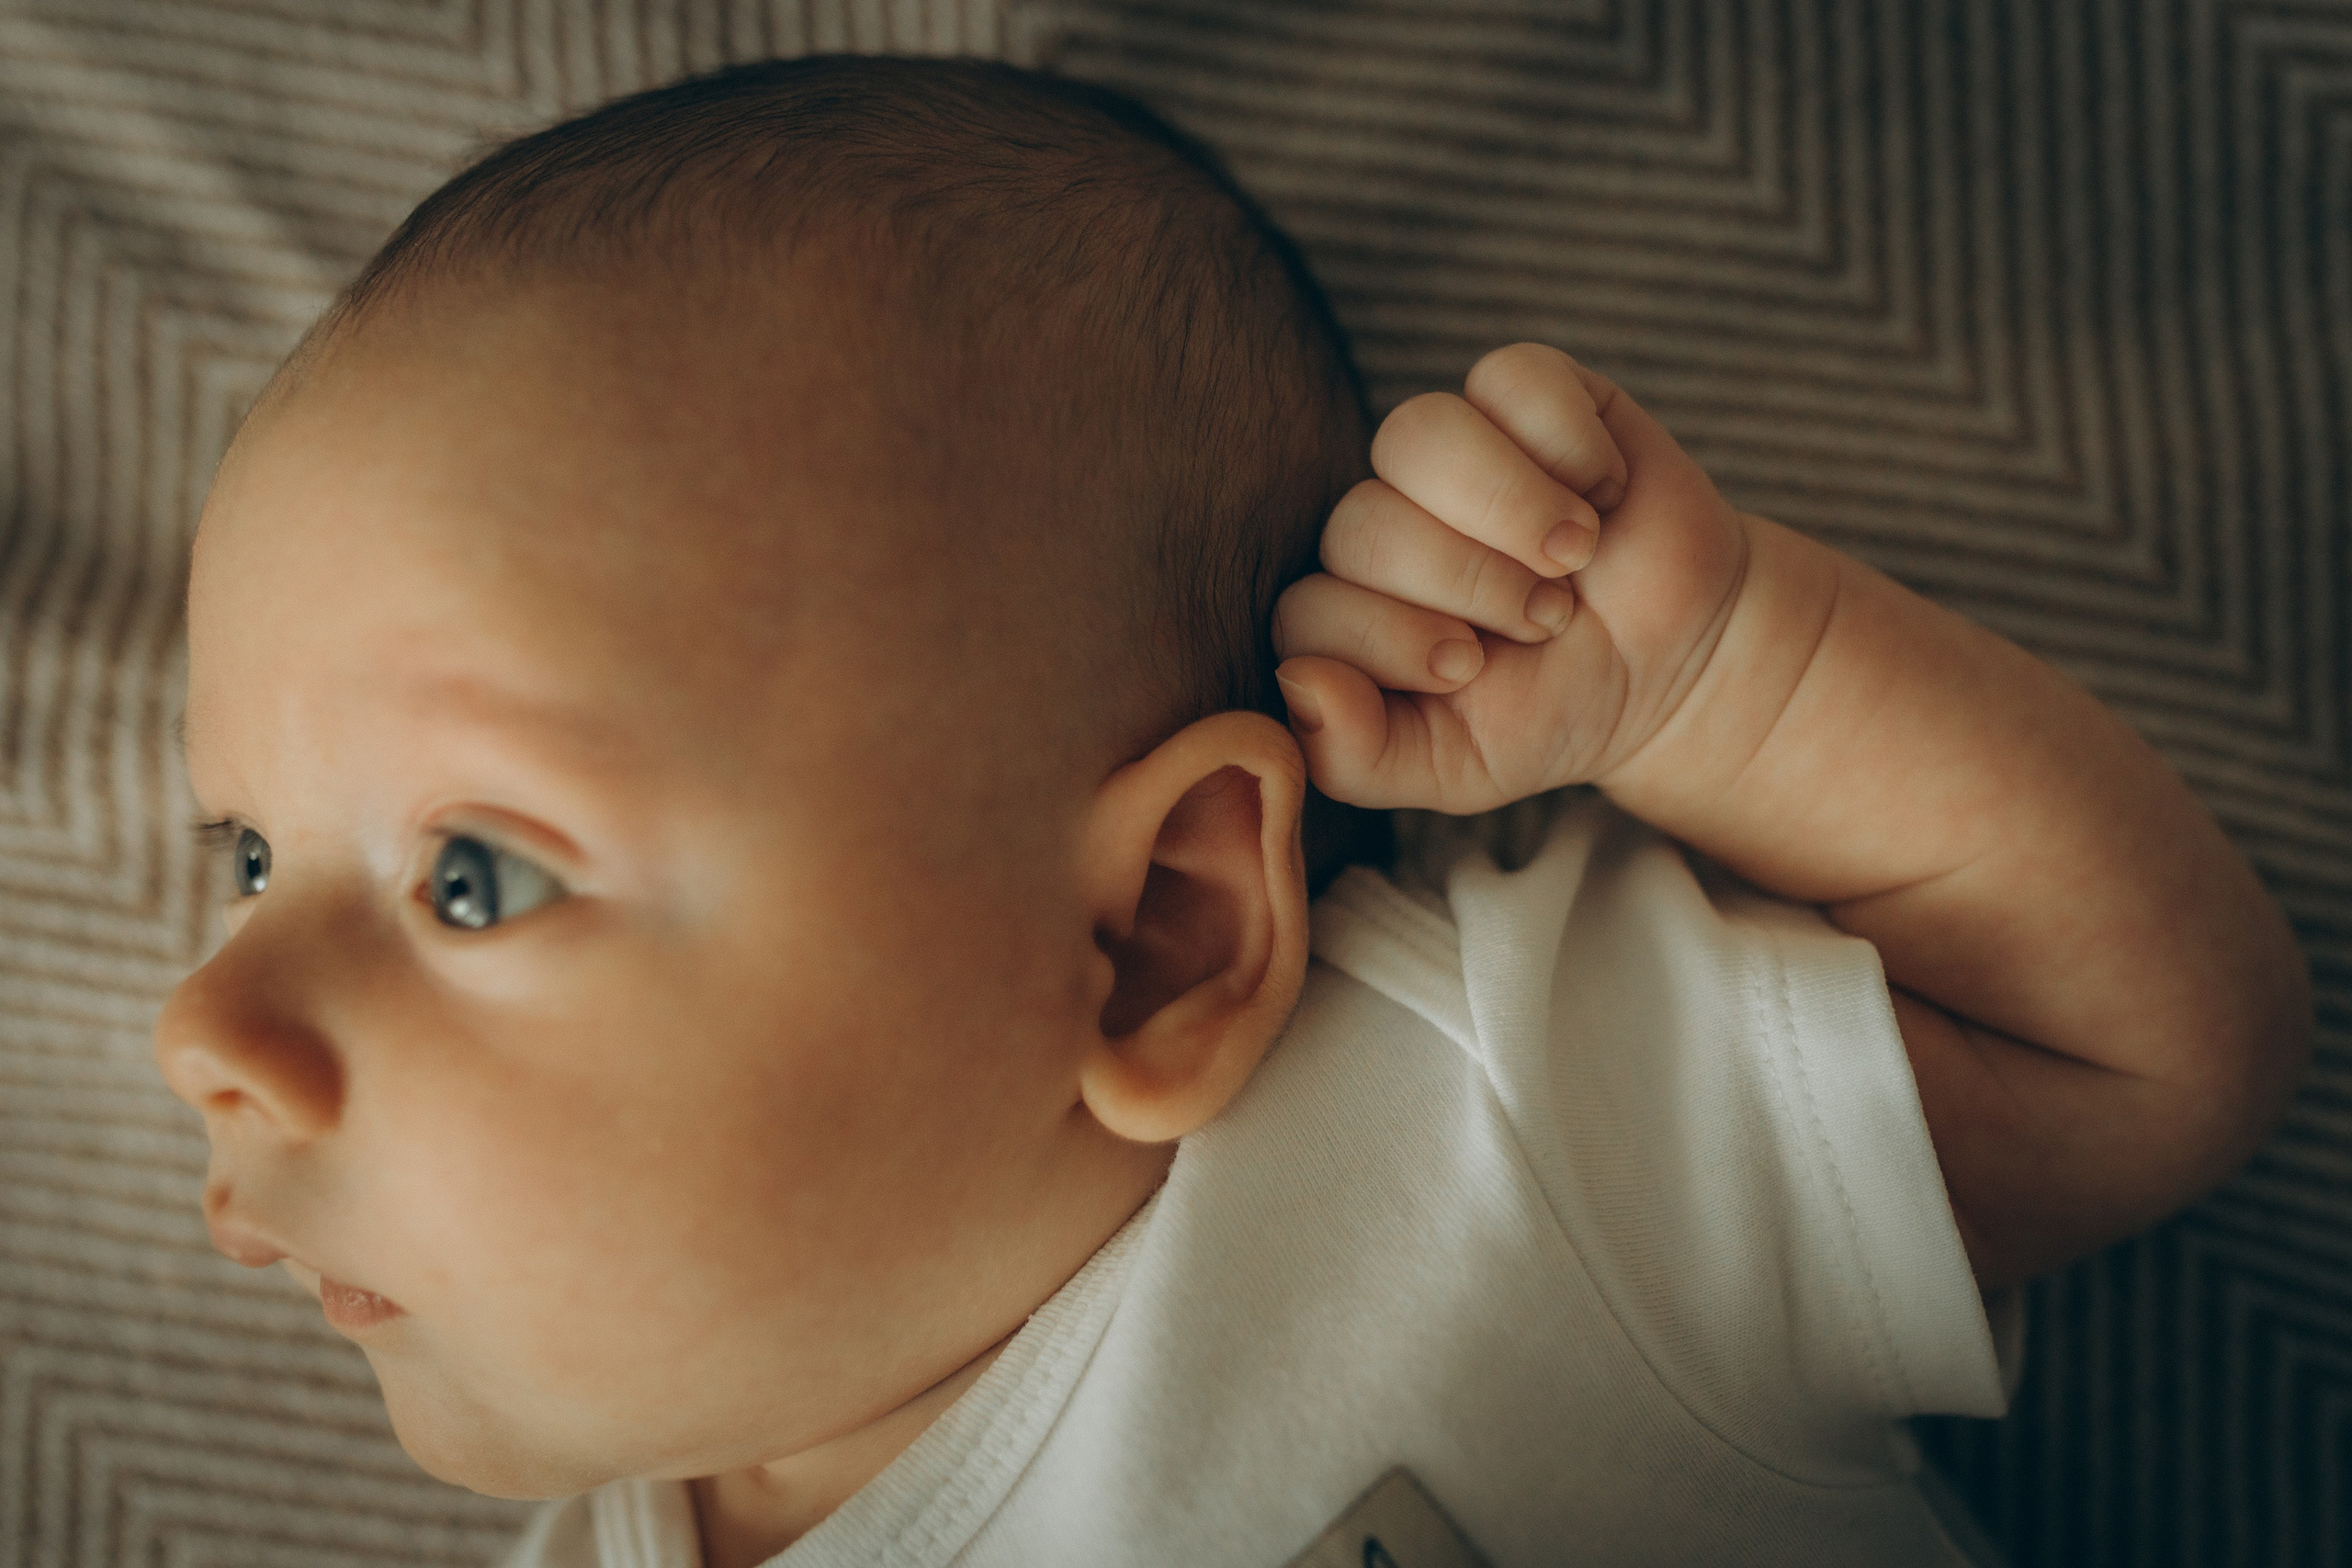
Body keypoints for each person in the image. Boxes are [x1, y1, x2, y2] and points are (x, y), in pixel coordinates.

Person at [152, 53, 2312, 1568]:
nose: (205, 1018)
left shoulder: (1494, 1124)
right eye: (244, 853)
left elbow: (2134, 1058)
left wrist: (1723, 668)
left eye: (471, 870)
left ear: (1159, 931)